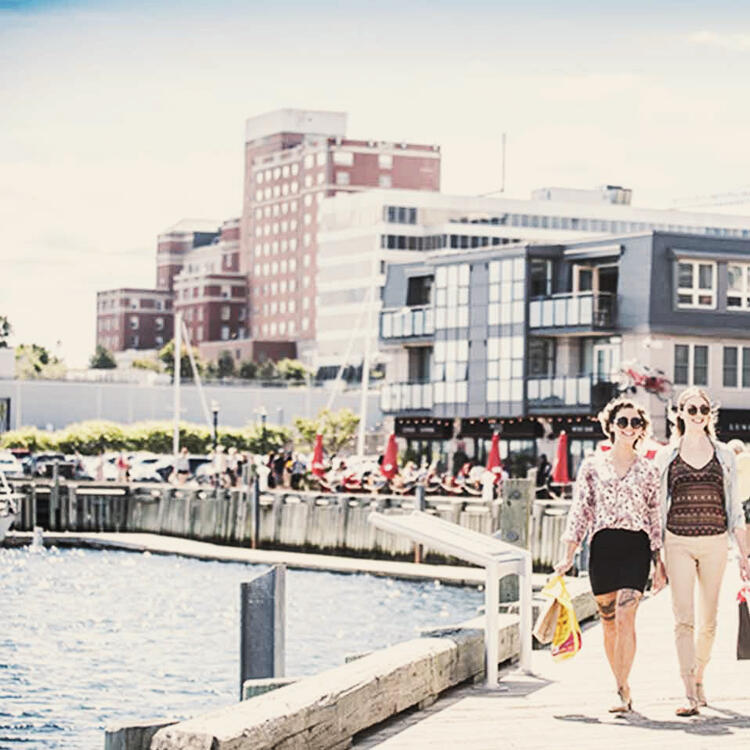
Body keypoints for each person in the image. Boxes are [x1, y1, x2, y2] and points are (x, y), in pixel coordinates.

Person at [555, 396, 665, 713]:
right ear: (611, 427)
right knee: (608, 624)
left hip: (636, 547)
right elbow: (581, 511)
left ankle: (622, 688)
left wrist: (660, 563)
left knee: (626, 617)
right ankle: (620, 684)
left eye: (636, 423)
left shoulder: (648, 470)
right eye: (623, 422)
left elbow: (655, 517)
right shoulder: (592, 466)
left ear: (642, 429)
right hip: (602, 547)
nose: (630, 427)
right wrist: (568, 554)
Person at [654, 387, 750, 716]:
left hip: (715, 543)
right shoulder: (667, 455)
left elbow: (735, 508)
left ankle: (699, 676)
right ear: (679, 413)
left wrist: (745, 556)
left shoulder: (724, 454)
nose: (697, 415)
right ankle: (688, 691)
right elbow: (657, 508)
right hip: (677, 541)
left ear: (710, 414)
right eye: (691, 409)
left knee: (709, 621)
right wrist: (657, 558)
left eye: (703, 410)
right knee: (684, 620)